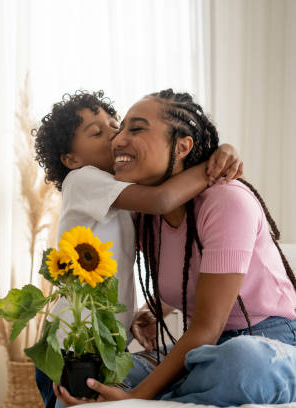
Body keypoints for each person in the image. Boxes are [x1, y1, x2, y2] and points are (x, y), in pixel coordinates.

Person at [53, 89, 296, 407]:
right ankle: (181, 392)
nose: (117, 140)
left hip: (267, 339)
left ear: (182, 146)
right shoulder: (142, 215)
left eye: (134, 128)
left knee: (240, 363)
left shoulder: (226, 201)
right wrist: (154, 310)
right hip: (201, 350)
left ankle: (169, 394)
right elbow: (190, 269)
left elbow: (207, 327)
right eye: (119, 129)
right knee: (88, 383)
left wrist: (137, 397)